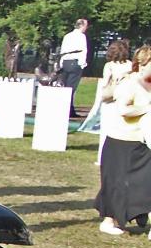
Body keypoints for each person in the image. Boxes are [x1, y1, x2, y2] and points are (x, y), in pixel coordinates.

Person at [95, 46, 151, 236]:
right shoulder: (130, 83)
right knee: (116, 184)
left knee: (144, 182)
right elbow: (123, 110)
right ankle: (108, 221)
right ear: (144, 63)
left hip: (141, 141)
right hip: (121, 141)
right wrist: (146, 108)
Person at [78, 39, 131, 164]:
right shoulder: (130, 64)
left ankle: (102, 158)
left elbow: (105, 84)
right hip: (124, 100)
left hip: (110, 101)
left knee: (105, 132)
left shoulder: (109, 66)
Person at [58, 18, 88, 116]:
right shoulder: (81, 36)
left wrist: (61, 63)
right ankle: (69, 110)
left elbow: (63, 50)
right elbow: (83, 50)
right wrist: (82, 64)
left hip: (66, 62)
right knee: (71, 88)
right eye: (85, 26)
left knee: (65, 87)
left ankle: (67, 108)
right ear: (82, 26)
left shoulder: (67, 36)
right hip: (75, 62)